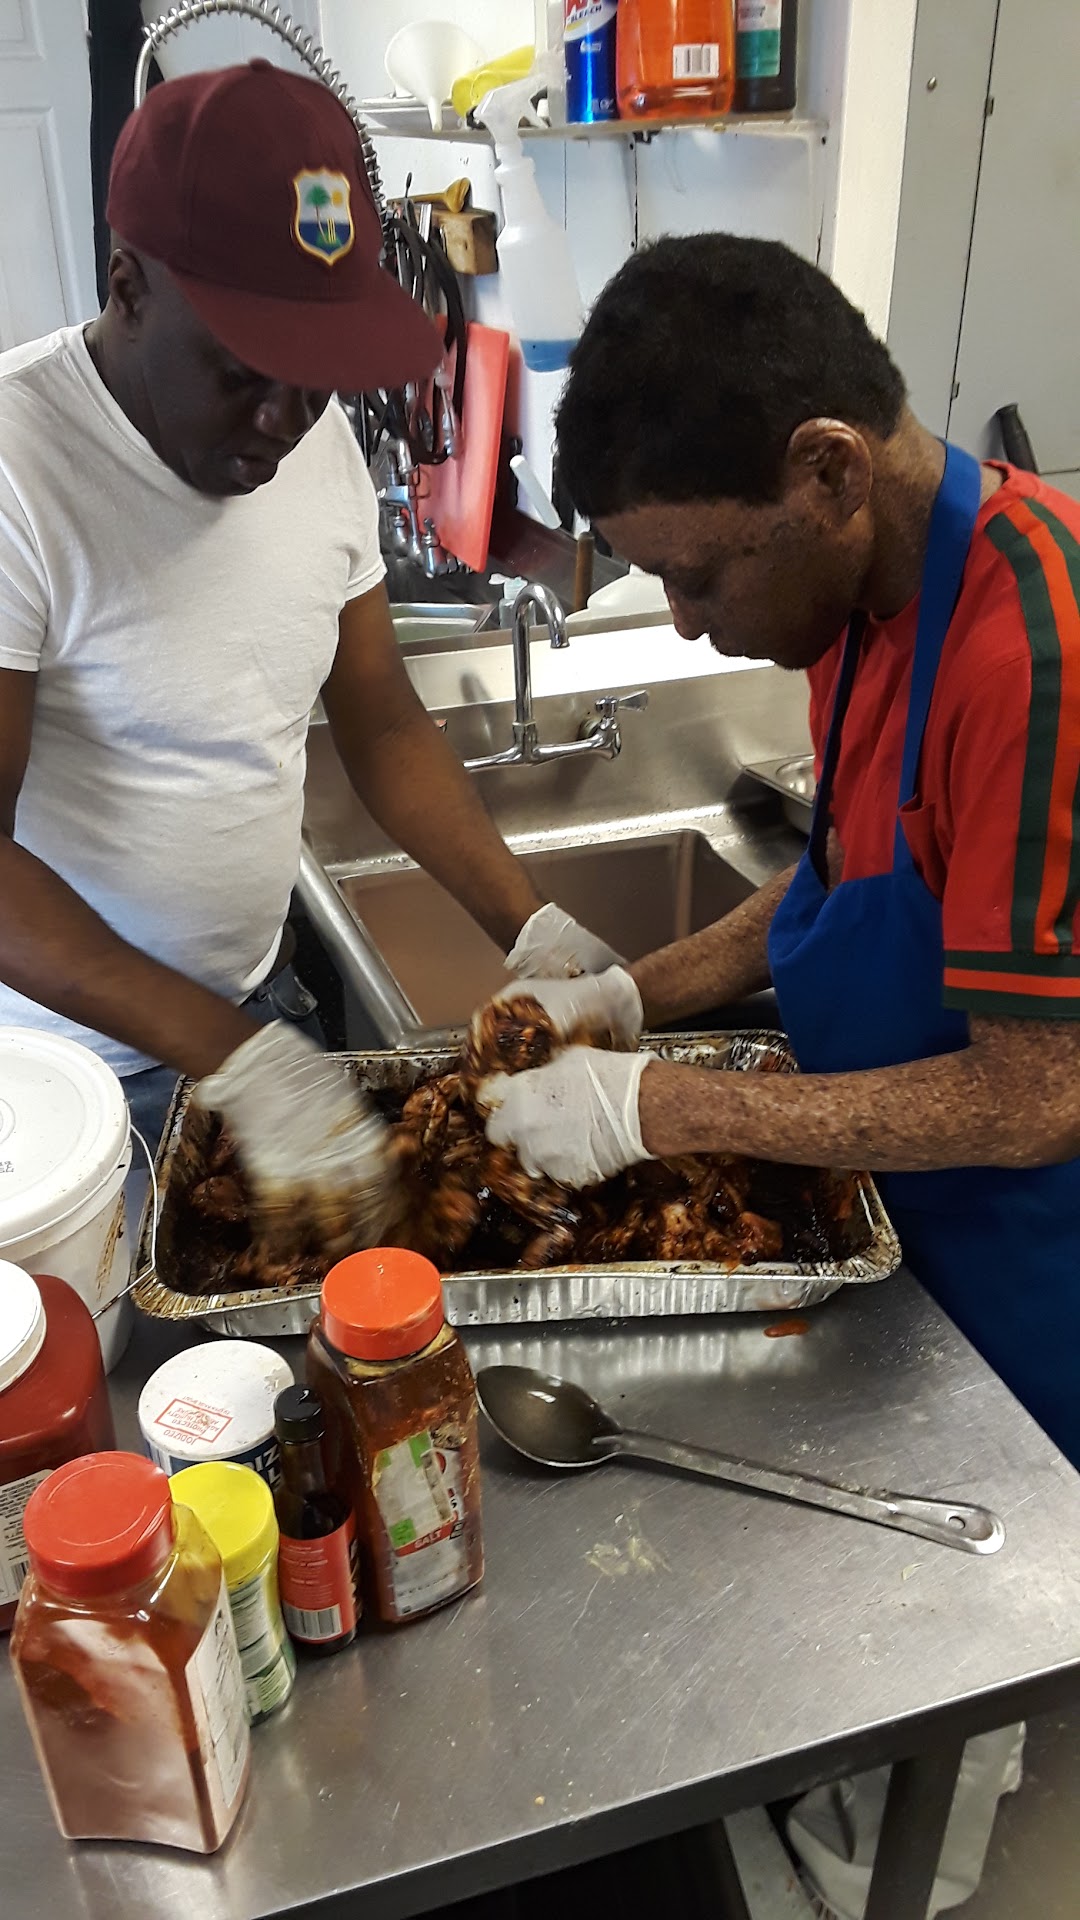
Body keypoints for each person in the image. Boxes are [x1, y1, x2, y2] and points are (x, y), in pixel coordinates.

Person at [480, 232, 1080, 1916]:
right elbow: (831, 886)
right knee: (865, 1631)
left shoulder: (1032, 648)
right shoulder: (863, 608)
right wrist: (627, 995)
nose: (686, 619)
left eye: (696, 577)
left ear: (824, 472)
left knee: (970, 1664)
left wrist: (658, 1106)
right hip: (913, 1239)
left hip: (1034, 1281)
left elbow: (1038, 1093)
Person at [0, 60, 612, 1221]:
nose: (284, 422)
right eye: (242, 373)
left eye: (315, 380)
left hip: (255, 1011)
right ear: (128, 285)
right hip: (71, 1086)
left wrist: (529, 925)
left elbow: (379, 721)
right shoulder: (19, 471)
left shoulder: (308, 445)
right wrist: (231, 1055)